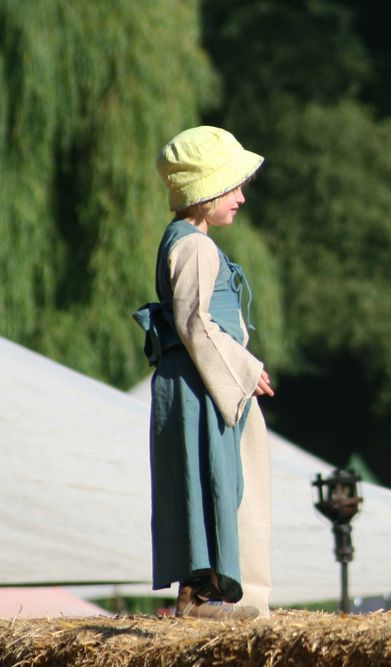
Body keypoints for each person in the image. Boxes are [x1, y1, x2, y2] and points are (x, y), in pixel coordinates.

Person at [133, 126, 275, 620]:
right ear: (205, 191)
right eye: (232, 186)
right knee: (210, 479)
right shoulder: (193, 245)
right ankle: (205, 597)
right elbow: (194, 321)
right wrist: (244, 368)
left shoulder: (193, 241)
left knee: (216, 480)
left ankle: (206, 594)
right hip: (201, 385)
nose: (240, 197)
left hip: (202, 381)